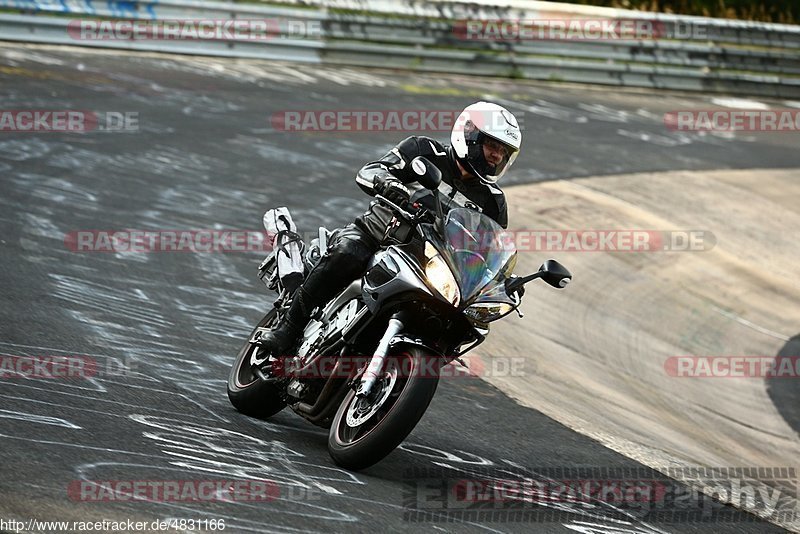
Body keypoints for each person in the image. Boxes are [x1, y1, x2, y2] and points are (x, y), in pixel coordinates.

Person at [254, 101, 522, 364]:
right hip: (378, 236)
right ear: (470, 136)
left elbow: (489, 247)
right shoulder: (424, 151)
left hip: (430, 262)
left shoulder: (493, 201)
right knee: (349, 253)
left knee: (458, 316)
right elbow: (372, 170)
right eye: (492, 145)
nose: (497, 156)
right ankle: (288, 328)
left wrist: (502, 282)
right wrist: (389, 183)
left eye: (503, 152)